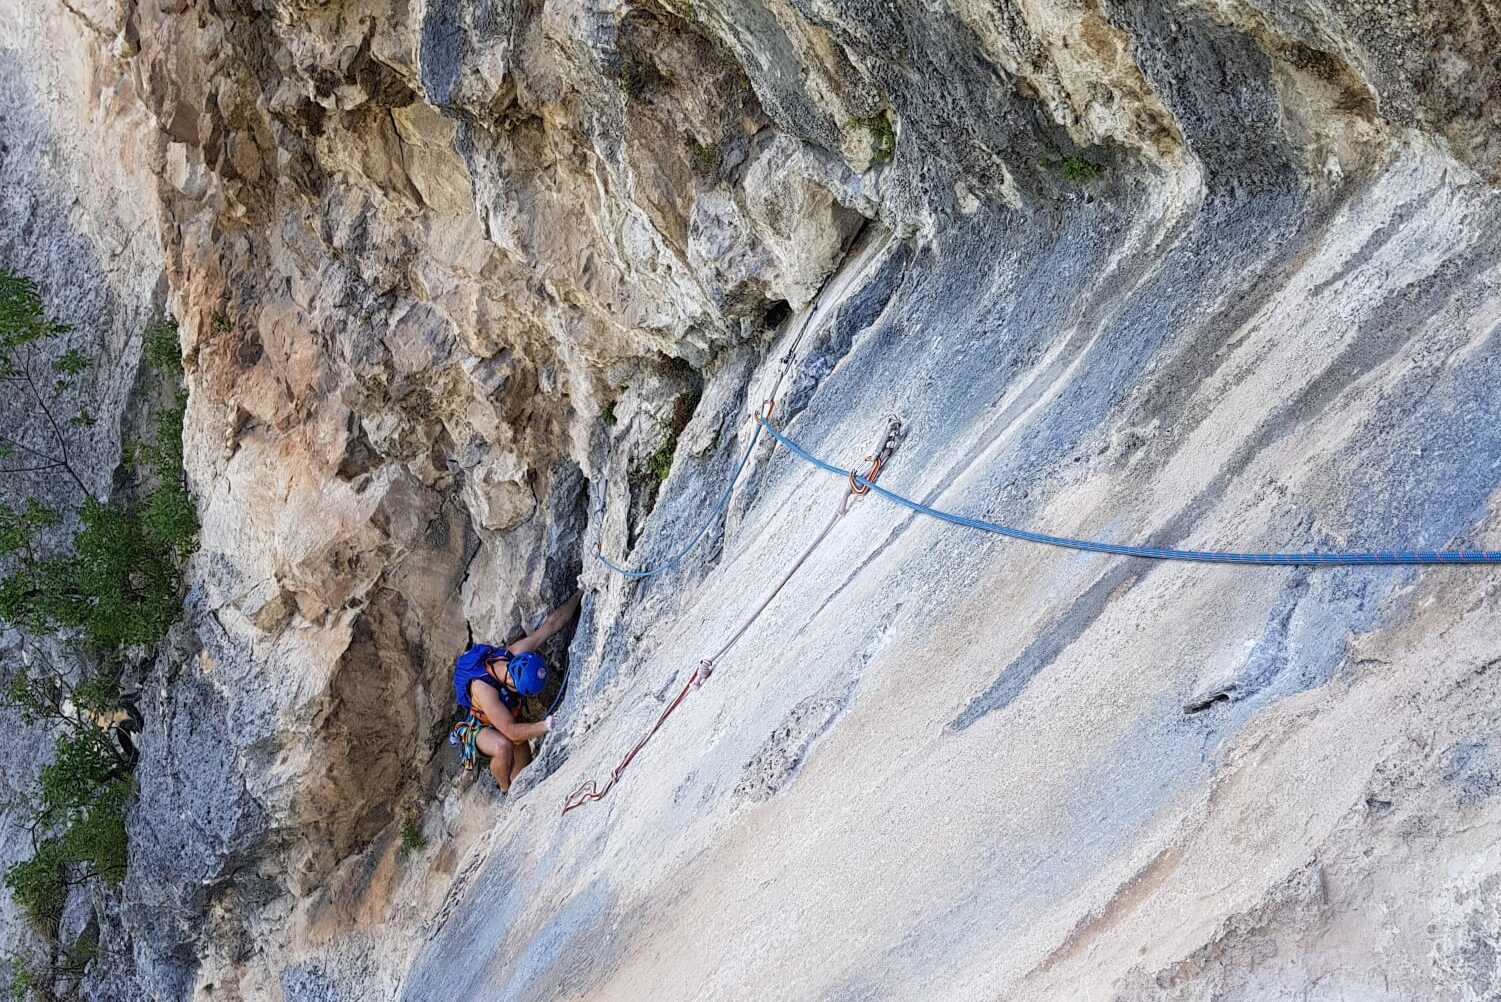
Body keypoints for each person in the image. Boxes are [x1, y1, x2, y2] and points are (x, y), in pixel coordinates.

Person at [450, 588, 583, 793]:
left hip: (509, 717)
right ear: (512, 684)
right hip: (481, 727)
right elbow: (510, 730)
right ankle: (503, 789)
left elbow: (551, 624)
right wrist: (545, 726)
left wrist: (580, 592)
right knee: (502, 747)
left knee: (521, 780)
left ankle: (511, 786)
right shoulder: (483, 688)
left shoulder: (514, 653)